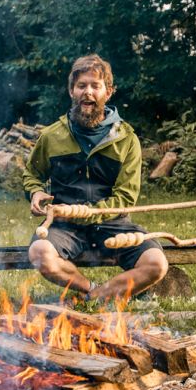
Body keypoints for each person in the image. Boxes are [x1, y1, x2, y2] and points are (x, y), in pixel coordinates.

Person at [24, 54, 168, 304]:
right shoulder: (51, 136)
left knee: (156, 264)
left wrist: (87, 212)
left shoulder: (126, 139)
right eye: (81, 86)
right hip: (64, 227)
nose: (87, 92)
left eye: (95, 85)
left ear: (108, 92)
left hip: (113, 223)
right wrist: (35, 192)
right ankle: (91, 290)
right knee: (40, 252)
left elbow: (125, 197)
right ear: (72, 91)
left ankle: (96, 298)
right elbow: (32, 174)